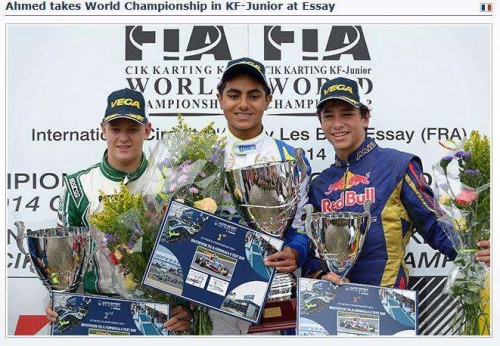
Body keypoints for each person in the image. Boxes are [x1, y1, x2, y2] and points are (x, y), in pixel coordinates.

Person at [302, 76, 490, 287]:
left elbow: (434, 225)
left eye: (347, 114)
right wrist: (320, 276)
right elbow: (312, 255)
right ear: (321, 121)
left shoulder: (398, 165)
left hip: (389, 305)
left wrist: (476, 250)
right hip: (333, 305)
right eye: (329, 116)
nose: (337, 124)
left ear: (365, 118)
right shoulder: (320, 184)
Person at [45, 88, 191, 332]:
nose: (124, 137)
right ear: (103, 129)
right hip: (95, 313)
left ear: (147, 130)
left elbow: (184, 250)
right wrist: (57, 296)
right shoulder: (78, 186)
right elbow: (62, 260)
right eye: (116, 129)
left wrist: (185, 307)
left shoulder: (169, 183)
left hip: (157, 314)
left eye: (133, 129)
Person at [212, 57, 311, 334]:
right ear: (220, 99)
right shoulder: (199, 157)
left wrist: (295, 252)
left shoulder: (291, 158)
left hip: (271, 292)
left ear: (268, 100)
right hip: (211, 293)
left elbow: (301, 226)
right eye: (234, 95)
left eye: (253, 95)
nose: (243, 104)